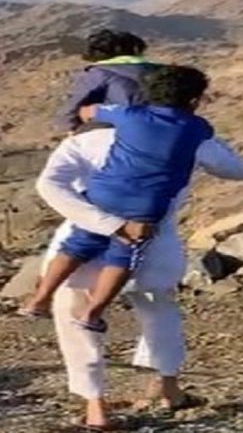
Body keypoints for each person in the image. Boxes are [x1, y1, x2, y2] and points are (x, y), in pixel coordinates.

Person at [35, 98, 243, 430]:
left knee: (74, 316)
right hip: (154, 238)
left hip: (83, 237)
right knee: (159, 311)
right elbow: (239, 171)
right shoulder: (187, 137)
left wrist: (105, 222)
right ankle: (168, 388)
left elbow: (49, 185)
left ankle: (96, 408)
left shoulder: (84, 140)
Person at [23, 66, 215, 333]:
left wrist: (94, 116)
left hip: (103, 193)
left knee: (75, 245)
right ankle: (92, 313)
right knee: (124, 256)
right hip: (146, 205)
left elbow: (88, 111)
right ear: (194, 101)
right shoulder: (199, 127)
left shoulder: (129, 114)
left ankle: (39, 299)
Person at [58, 29, 158, 133]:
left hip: (113, 130)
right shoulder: (161, 71)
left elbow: (73, 106)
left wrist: (71, 128)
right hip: (161, 130)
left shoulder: (99, 73)